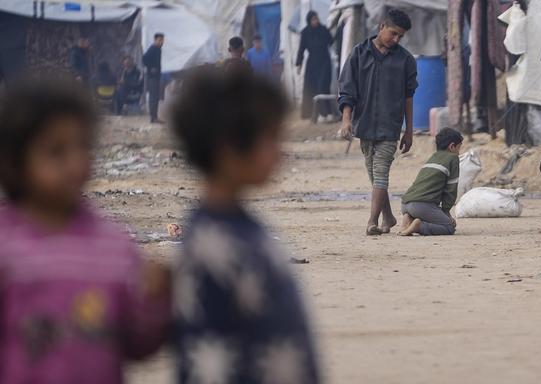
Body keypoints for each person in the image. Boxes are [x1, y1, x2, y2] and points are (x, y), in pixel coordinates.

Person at [0, 78, 170, 383]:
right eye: (56, 151)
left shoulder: (114, 245)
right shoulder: (6, 246)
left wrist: (155, 301)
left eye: (83, 147)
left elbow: (137, 344)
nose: (75, 163)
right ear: (13, 162)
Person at [169, 70, 321, 384]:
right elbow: (208, 361)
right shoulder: (211, 248)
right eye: (272, 139)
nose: (281, 152)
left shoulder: (243, 228)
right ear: (229, 149)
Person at [338, 9, 417, 236]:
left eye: (401, 36)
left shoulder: (405, 60)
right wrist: (346, 120)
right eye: (393, 33)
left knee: (381, 172)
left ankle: (372, 221)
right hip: (365, 127)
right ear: (382, 26)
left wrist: (409, 131)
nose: (396, 39)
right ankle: (389, 217)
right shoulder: (358, 54)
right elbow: (347, 90)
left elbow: (408, 97)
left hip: (390, 128)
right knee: (375, 177)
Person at [399, 128, 463, 236]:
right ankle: (419, 227)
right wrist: (446, 212)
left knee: (432, 216)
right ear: (452, 146)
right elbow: (450, 190)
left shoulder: (434, 157)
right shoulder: (453, 159)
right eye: (459, 148)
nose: (459, 152)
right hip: (420, 205)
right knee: (449, 227)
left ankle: (409, 218)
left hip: (405, 204)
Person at [297, 10, 334, 120]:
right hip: (312, 64)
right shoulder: (305, 32)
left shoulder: (323, 29)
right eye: (313, 19)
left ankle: (325, 113)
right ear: (309, 20)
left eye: (316, 18)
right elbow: (301, 49)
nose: (315, 21)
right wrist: (299, 64)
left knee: (323, 86)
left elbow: (331, 41)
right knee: (310, 87)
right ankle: (310, 113)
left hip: (324, 62)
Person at [142, 33, 164, 124]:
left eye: (162, 40)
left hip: (156, 76)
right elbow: (144, 58)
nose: (161, 42)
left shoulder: (158, 49)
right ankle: (153, 117)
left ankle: (154, 116)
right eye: (159, 40)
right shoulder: (153, 49)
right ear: (155, 40)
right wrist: (151, 68)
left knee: (155, 96)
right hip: (152, 77)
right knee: (153, 96)